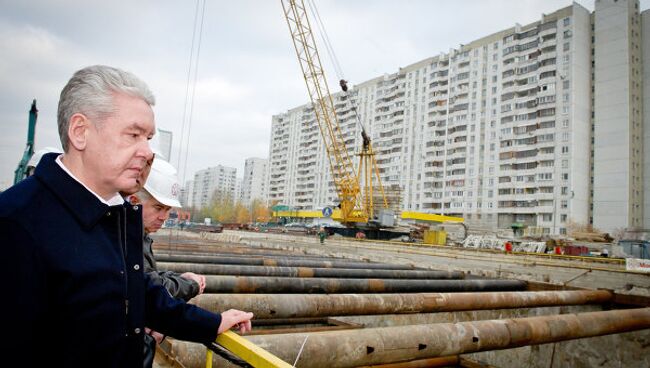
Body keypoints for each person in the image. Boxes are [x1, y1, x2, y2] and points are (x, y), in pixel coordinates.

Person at [0, 65, 253, 367]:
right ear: (80, 132)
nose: (147, 151)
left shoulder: (113, 213)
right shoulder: (15, 223)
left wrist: (211, 323)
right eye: (133, 135)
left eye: (148, 137)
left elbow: (136, 295)